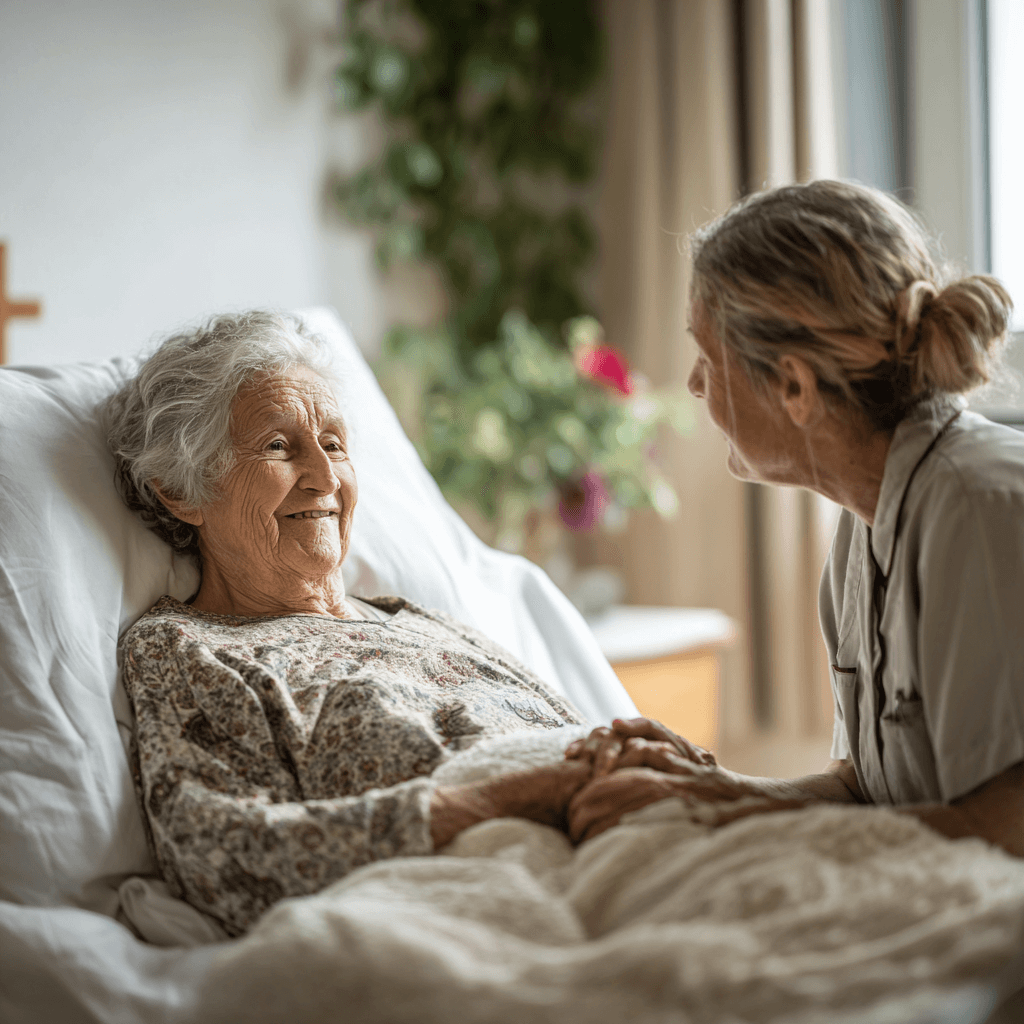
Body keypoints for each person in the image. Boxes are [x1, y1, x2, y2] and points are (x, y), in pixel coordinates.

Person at [565, 179, 1024, 858]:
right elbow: (865, 790)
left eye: (708, 358)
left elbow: (1006, 830)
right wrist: (712, 788)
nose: (694, 385)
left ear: (794, 387)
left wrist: (731, 817)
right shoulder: (865, 521)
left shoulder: (977, 508)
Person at [106, 311, 595, 936]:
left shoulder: (419, 622)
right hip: (505, 900)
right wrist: (492, 804)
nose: (325, 477)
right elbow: (224, 857)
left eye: (334, 444)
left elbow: (578, 743)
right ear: (182, 491)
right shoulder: (187, 649)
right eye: (279, 446)